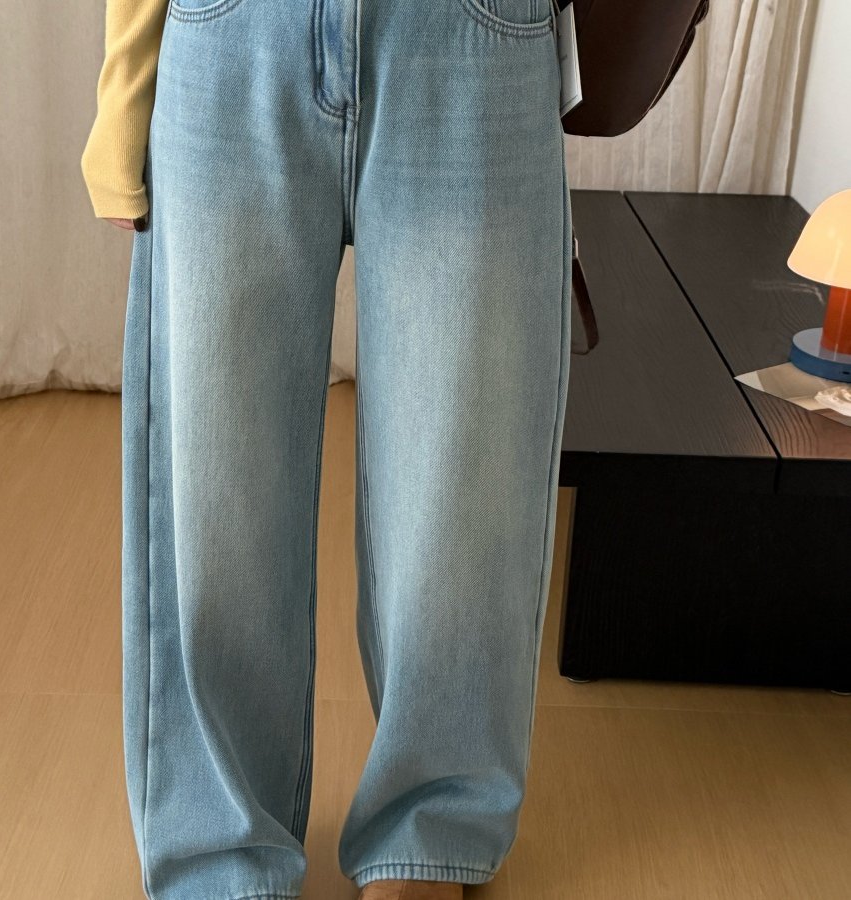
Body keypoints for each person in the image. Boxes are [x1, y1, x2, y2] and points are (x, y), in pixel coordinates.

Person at [81, 0, 572, 897]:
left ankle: (431, 826)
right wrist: (125, 88)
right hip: (232, 29)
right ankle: (220, 848)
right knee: (213, 486)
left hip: (470, 34)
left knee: (464, 477)